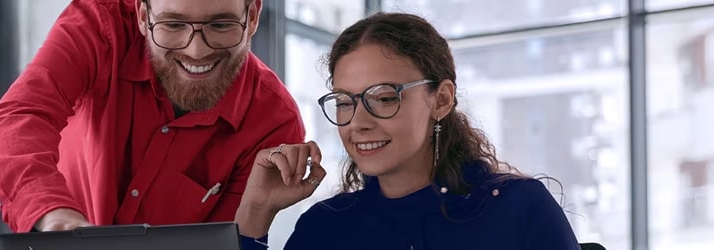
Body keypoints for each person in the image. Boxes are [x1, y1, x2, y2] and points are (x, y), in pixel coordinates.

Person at [232, 13, 581, 249]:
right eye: (344, 101)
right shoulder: (324, 228)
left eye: (383, 98)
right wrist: (256, 212)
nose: (358, 122)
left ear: (441, 100)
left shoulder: (519, 209)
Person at [0, 0, 306, 232]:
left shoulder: (274, 123)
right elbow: (18, 120)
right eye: (173, 24)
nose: (196, 50)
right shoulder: (99, 25)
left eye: (220, 24)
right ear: (141, 14)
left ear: (252, 17)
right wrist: (55, 216)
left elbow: (226, 242)